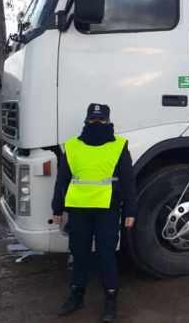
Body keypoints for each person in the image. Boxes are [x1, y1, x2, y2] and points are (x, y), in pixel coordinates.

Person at [52, 103, 137, 322]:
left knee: (105, 254)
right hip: (78, 208)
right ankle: (77, 295)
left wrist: (130, 210)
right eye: (93, 119)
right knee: (79, 253)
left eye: (100, 120)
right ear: (87, 120)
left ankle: (110, 298)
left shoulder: (119, 145)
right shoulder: (71, 146)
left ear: (108, 121)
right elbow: (62, 180)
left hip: (107, 208)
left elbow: (128, 181)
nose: (96, 123)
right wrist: (57, 208)